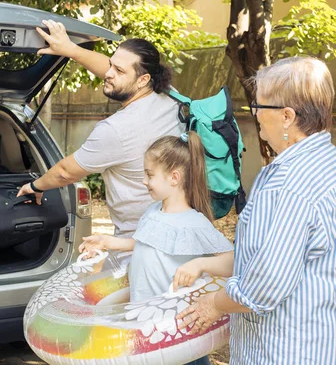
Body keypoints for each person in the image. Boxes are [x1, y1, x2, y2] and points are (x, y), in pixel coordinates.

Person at [176, 57, 336, 364]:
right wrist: (204, 264)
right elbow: (268, 253)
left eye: (259, 107)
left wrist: (214, 304)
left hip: (282, 350)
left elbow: (266, 284)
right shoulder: (324, 162)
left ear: (287, 116)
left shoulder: (290, 182)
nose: (255, 115)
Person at [17, 20, 184, 237]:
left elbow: (65, 173)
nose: (108, 73)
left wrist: (35, 186)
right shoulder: (169, 95)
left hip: (140, 238)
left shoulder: (117, 129)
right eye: (111, 65)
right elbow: (111, 69)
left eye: (119, 70)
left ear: (143, 80)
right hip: (177, 222)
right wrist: (71, 50)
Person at [79, 131, 233, 365]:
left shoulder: (194, 223)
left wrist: (200, 264)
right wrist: (107, 241)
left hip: (178, 333)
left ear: (174, 177)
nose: (144, 181)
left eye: (149, 175)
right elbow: (146, 244)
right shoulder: (153, 211)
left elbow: (233, 261)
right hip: (146, 326)